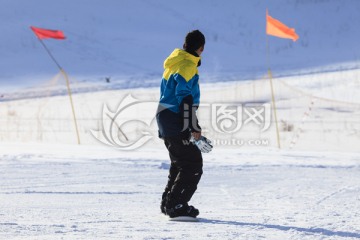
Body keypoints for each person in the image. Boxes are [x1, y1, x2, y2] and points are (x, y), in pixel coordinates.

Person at [156, 30, 212, 218]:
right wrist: (193, 126)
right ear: (201, 48)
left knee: (179, 162)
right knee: (192, 163)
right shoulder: (187, 66)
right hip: (175, 116)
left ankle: (168, 203)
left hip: (164, 115)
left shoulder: (175, 63)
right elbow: (185, 99)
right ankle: (176, 205)